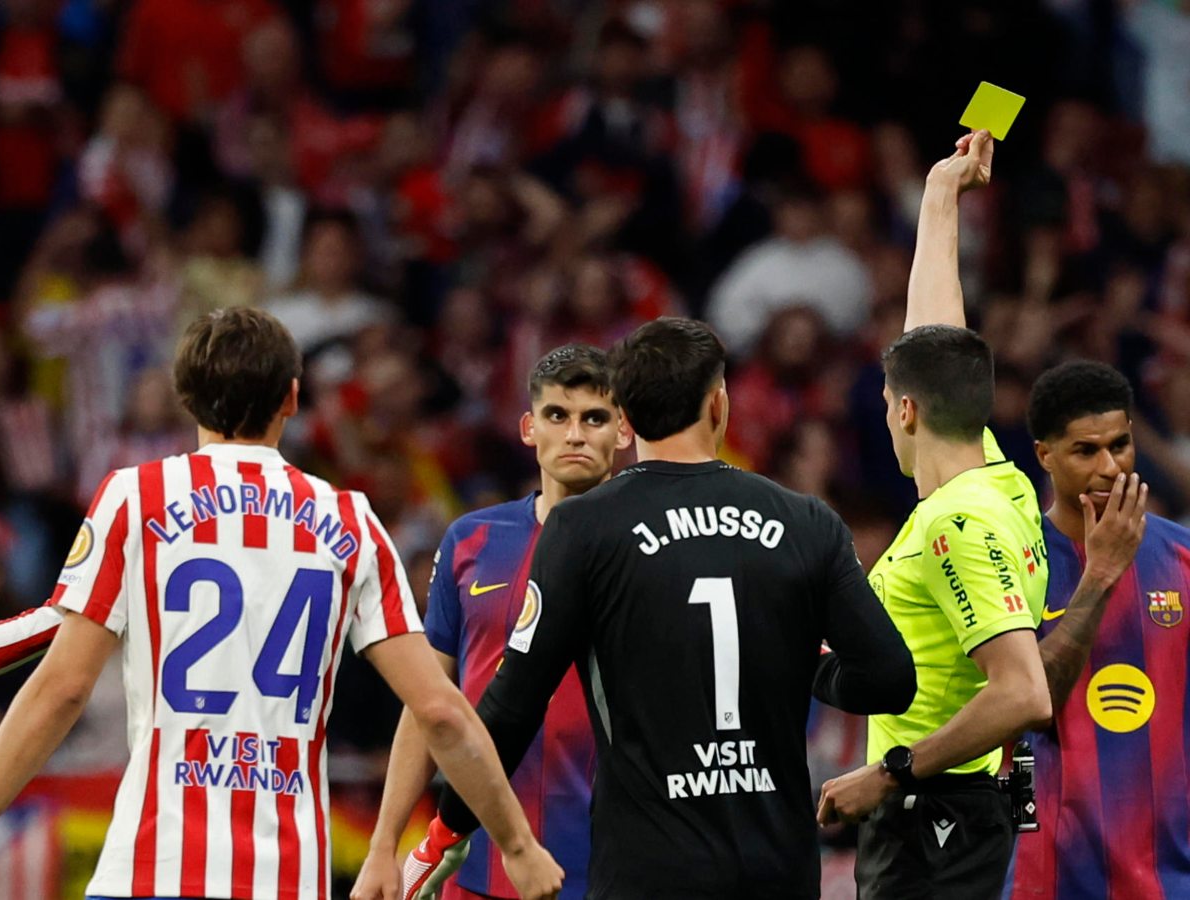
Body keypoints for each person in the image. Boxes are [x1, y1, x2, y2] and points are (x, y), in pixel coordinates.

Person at [0, 308, 563, 900]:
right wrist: (518, 845)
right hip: (289, 877)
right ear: (292, 397)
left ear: (187, 398)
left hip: (152, 868)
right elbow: (440, 711)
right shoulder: (351, 521)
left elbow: (61, 688)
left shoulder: (135, 499)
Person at [394, 315, 917, 900]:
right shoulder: (805, 520)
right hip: (778, 867)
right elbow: (890, 680)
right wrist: (811, 661)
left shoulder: (584, 527)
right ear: (719, 406)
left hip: (648, 869)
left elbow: (511, 709)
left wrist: (444, 832)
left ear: (627, 419)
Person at [815, 131, 1054, 899]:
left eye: (889, 405)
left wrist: (887, 776)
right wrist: (940, 196)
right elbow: (930, 339)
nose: (886, 419)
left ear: (909, 410)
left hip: (935, 819)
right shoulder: (1000, 476)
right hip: (942, 809)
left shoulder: (959, 523)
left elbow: (1022, 692)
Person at [351, 344, 632, 900]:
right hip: (476, 868)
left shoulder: (648, 549)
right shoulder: (471, 541)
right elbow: (426, 704)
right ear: (530, 428)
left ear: (622, 432)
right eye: (558, 416)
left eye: (593, 418)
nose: (575, 434)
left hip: (617, 870)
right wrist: (383, 845)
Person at [1004, 361, 1180, 899]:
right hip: (1048, 875)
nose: (1110, 467)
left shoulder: (1183, 557)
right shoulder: (1010, 561)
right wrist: (1101, 572)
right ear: (1044, 455)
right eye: (1086, 451)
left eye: (1121, 445)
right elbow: (1031, 700)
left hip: (1170, 877)